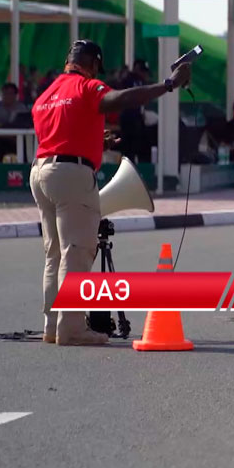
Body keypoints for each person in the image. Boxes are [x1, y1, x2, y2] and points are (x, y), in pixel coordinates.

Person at [31, 40, 191, 346]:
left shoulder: (47, 95)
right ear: (91, 63)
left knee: (53, 254)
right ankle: (72, 328)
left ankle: (52, 326)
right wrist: (168, 85)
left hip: (40, 173)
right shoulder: (86, 86)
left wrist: (94, 142)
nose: (96, 74)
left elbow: (59, 135)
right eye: (96, 68)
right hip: (71, 176)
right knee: (76, 252)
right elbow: (118, 99)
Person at [118, 59, 154, 163]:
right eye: (143, 71)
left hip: (136, 117)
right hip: (129, 118)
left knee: (136, 147)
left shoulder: (138, 81)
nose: (144, 75)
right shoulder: (129, 79)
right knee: (129, 149)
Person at [0, 83, 29, 162]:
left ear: (16, 95)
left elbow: (25, 125)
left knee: (27, 147)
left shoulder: (21, 108)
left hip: (16, 140)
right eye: (5, 93)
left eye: (10, 93)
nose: (7, 96)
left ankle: (26, 170)